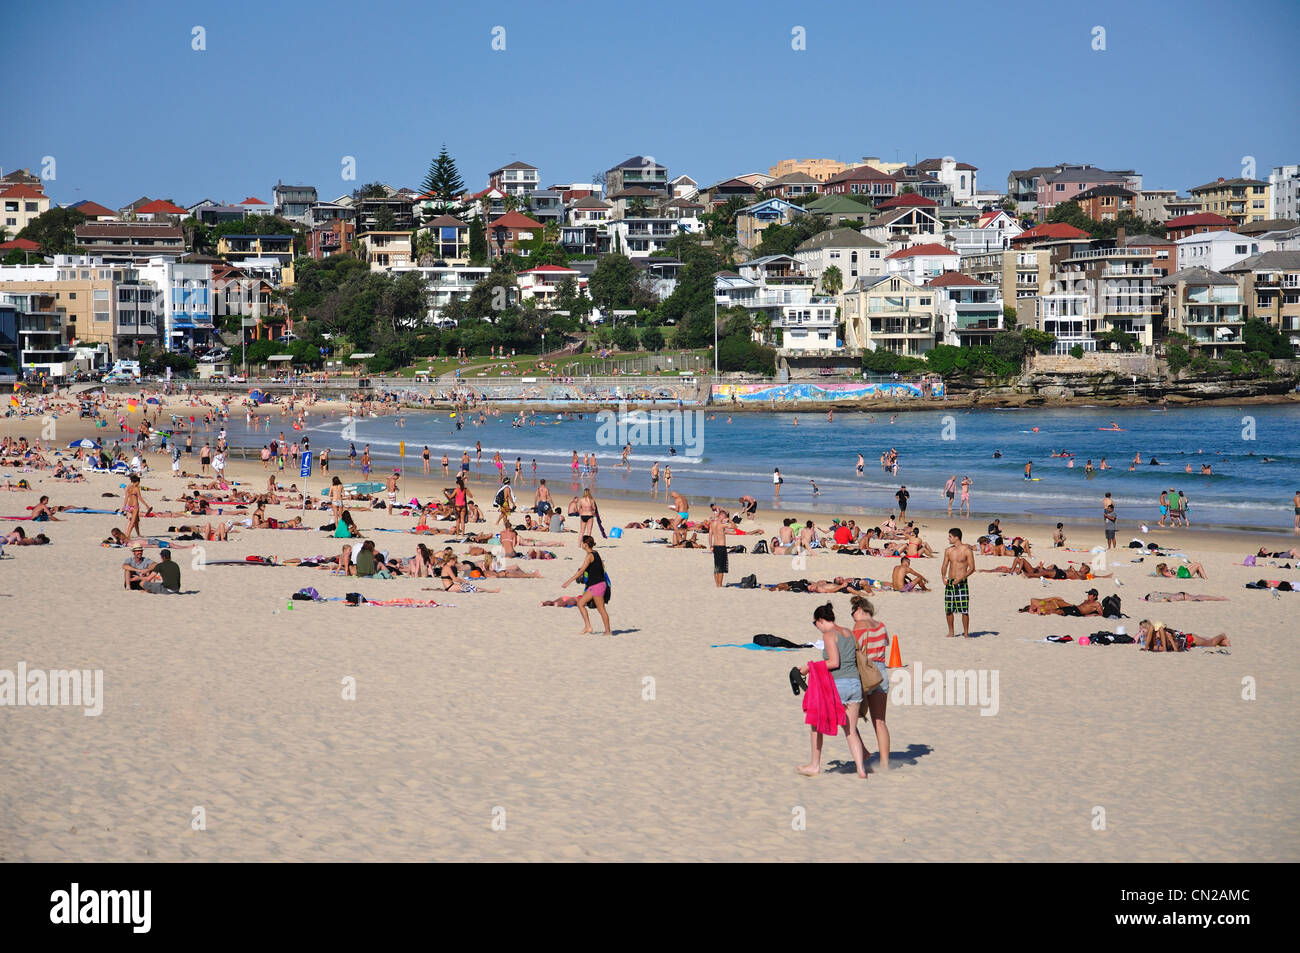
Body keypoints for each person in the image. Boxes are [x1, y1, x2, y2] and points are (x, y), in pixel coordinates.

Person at [795, 603, 868, 779]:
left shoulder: (829, 635)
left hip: (839, 685)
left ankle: (814, 765)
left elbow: (834, 662)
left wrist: (809, 667)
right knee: (850, 730)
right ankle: (861, 770)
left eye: (815, 624)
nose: (817, 628)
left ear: (820, 621)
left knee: (816, 723)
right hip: (855, 685)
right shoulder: (848, 632)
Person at [850, 595, 890, 772]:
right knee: (880, 722)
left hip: (866, 671)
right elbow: (885, 643)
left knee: (846, 717)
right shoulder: (881, 626)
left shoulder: (859, 626)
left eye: (853, 612)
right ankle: (884, 763)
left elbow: (853, 649)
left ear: (859, 610)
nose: (852, 617)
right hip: (881, 672)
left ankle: (864, 751)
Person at [562, 536, 612, 636]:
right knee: (580, 603)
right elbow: (600, 567)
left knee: (601, 609)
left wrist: (568, 581)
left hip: (597, 586)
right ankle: (588, 627)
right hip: (594, 586)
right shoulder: (596, 553)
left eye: (582, 543)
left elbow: (581, 571)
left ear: (585, 544)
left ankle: (608, 631)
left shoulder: (589, 556)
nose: (581, 545)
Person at [941, 527, 974, 638]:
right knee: (948, 609)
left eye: (950, 536)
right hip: (950, 582)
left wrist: (961, 578)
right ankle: (951, 632)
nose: (948, 538)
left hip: (961, 582)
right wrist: (943, 577)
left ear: (956, 537)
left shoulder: (966, 550)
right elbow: (945, 565)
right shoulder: (948, 550)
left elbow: (972, 568)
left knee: (964, 609)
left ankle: (966, 633)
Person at [709, 508, 729, 588]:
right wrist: (729, 520)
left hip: (715, 546)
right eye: (725, 516)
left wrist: (710, 546)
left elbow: (710, 535)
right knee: (721, 567)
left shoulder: (712, 523)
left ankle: (717, 584)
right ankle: (720, 585)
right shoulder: (722, 524)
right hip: (721, 547)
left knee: (716, 566)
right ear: (722, 516)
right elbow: (735, 526)